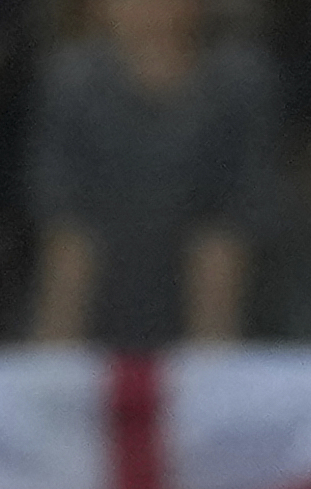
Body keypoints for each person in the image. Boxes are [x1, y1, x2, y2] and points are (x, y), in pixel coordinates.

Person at [27, 0, 288, 348]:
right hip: (101, 314)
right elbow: (68, 231)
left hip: (211, 319)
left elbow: (227, 231)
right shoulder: (71, 82)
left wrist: (209, 361)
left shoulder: (240, 83)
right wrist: (56, 358)